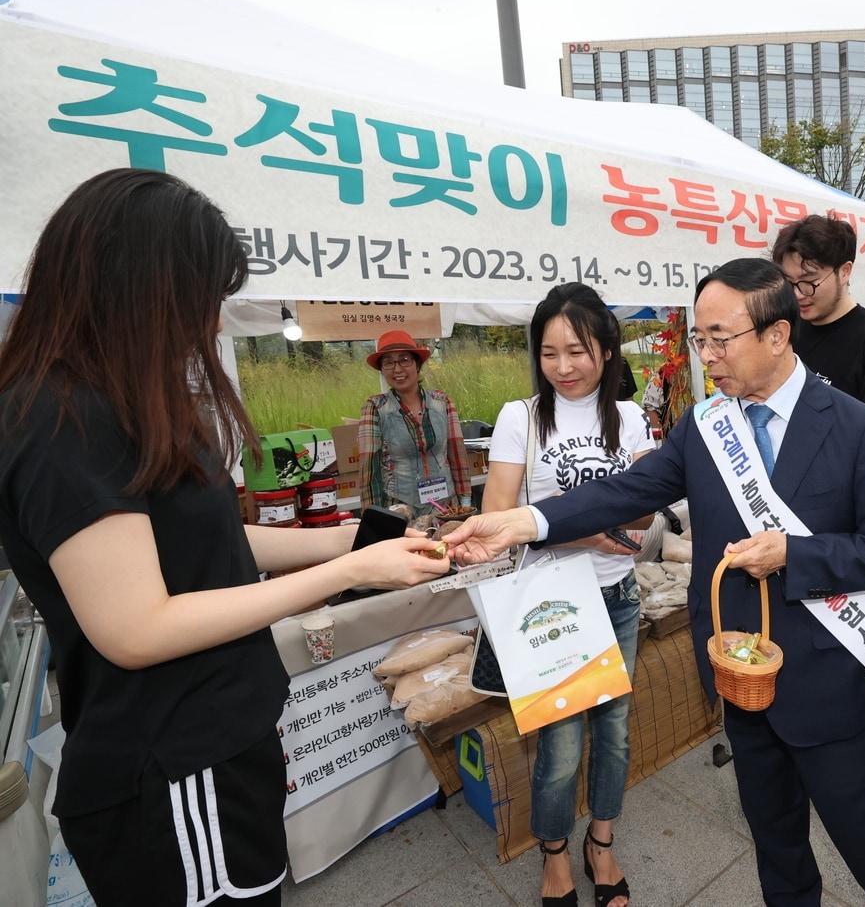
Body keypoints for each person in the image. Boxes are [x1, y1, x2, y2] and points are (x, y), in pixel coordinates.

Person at [0, 169, 449, 907]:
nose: (208, 323)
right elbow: (136, 627)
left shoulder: (120, 398)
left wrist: (346, 543)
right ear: (140, 286)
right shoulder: (60, 421)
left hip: (217, 744)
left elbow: (206, 540)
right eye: (201, 299)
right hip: (175, 768)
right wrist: (349, 572)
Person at [446, 258, 865, 907]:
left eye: (719, 337)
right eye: (698, 339)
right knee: (777, 844)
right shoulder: (708, 426)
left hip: (833, 683)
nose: (705, 355)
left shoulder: (858, 429)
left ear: (777, 334)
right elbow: (626, 489)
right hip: (739, 678)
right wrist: (522, 520)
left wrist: (795, 551)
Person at [482, 283, 654, 907]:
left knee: (615, 735)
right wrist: (585, 529)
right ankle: (555, 853)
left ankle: (600, 843)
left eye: (577, 350)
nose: (564, 366)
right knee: (559, 746)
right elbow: (498, 515)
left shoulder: (630, 418)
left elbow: (645, 515)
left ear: (606, 350)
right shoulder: (518, 418)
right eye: (549, 353)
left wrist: (613, 532)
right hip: (552, 607)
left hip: (618, 600)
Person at [773, 214, 865, 448]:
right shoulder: (787, 330)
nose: (798, 294)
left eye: (809, 280)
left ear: (844, 271)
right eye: (789, 282)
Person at [357, 330, 473, 517]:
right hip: (401, 509)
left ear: (417, 364)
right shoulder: (376, 407)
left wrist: (465, 501)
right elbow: (369, 469)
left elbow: (457, 454)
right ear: (382, 370)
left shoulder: (442, 401)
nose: (397, 369)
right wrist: (372, 516)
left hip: (446, 508)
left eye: (404, 360)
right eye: (388, 363)